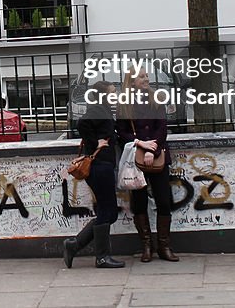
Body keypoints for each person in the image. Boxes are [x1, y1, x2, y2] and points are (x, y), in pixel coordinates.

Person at [117, 66, 178, 262]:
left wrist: (153, 150)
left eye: (146, 76)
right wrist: (139, 144)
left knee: (163, 200)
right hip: (136, 159)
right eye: (141, 77)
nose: (146, 79)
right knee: (139, 202)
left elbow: (162, 128)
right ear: (132, 81)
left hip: (157, 155)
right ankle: (147, 246)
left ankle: (164, 246)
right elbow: (122, 132)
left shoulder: (156, 98)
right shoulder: (124, 104)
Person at [63, 80, 125, 269]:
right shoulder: (98, 109)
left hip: (103, 166)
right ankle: (101, 257)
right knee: (108, 211)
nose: (115, 96)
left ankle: (75, 244)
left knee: (109, 212)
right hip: (100, 167)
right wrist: (95, 143)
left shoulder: (103, 109)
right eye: (112, 93)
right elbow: (82, 124)